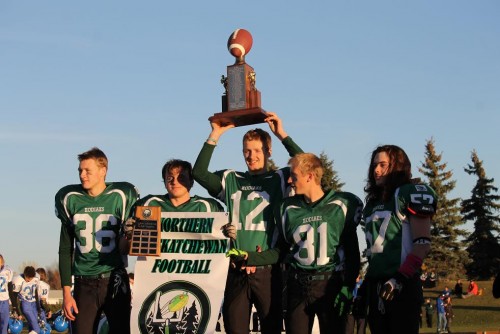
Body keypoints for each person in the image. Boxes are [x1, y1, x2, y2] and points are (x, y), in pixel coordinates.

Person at [193, 112, 303, 334]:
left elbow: (306, 164)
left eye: (257, 150)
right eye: (246, 151)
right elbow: (199, 173)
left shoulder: (279, 178)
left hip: (267, 271)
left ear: (268, 151)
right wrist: (215, 134)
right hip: (236, 271)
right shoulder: (232, 179)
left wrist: (281, 134)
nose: (251, 156)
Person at [227, 153, 362, 334]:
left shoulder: (341, 204)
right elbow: (281, 251)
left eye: (294, 175)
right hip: (298, 286)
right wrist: (250, 257)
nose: (290, 180)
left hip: (329, 284)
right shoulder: (287, 209)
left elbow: (353, 251)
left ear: (309, 176)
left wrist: (348, 286)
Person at [55, 147, 138, 334]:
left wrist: (129, 235)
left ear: (103, 171)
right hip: (84, 282)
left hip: (115, 279)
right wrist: (66, 293)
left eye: (87, 170)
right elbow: (65, 248)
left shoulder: (121, 196)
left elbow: (125, 248)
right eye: (80, 171)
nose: (82, 175)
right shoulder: (70, 198)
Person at [362, 145, 437, 334]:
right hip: (376, 286)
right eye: (374, 165)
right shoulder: (373, 203)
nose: (376, 170)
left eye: (383, 165)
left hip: (402, 285)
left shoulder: (407, 194)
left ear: (397, 167)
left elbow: (422, 245)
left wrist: (399, 279)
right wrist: (366, 285)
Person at [11, 266, 41, 334]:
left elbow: (35, 292)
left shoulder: (37, 277)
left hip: (34, 303)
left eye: (30, 278)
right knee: (37, 329)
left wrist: (38, 306)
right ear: (24, 274)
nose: (28, 280)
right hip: (25, 304)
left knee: (32, 326)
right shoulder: (18, 280)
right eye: (27, 277)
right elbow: (14, 297)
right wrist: (17, 311)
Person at [0, 254, 14, 334]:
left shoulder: (7, 271)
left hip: (4, 300)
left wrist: (14, 305)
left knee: (4, 325)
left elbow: (10, 288)